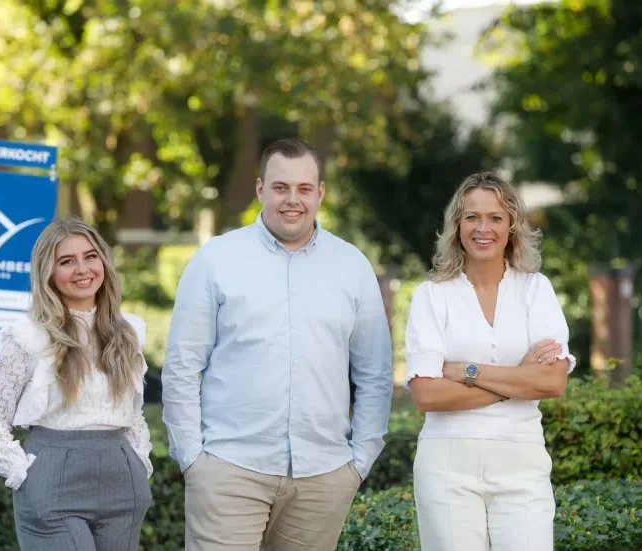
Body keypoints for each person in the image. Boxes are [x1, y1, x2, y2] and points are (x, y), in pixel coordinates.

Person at [162, 138, 394, 550]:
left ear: (320, 193)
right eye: (280, 187)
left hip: (323, 477)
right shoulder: (215, 260)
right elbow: (182, 367)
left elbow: (374, 373)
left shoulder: (352, 266)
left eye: (304, 189)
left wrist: (359, 461)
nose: (293, 200)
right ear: (260, 189)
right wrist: (193, 460)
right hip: (229, 471)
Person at [404, 172, 575, 551]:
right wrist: (518, 380)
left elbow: (551, 383)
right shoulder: (432, 296)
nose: (484, 228)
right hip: (447, 464)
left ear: (511, 225)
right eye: (472, 217)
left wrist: (468, 371)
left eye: (495, 217)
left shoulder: (536, 290)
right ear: (456, 226)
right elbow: (426, 395)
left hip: (522, 462)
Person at [0, 216, 153, 551]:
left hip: (122, 480)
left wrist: (138, 459)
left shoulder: (129, 331)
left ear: (103, 261)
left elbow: (132, 413)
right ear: (49, 274)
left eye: (90, 256)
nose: (83, 269)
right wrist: (21, 470)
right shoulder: (28, 335)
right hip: (52, 480)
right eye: (66, 261)